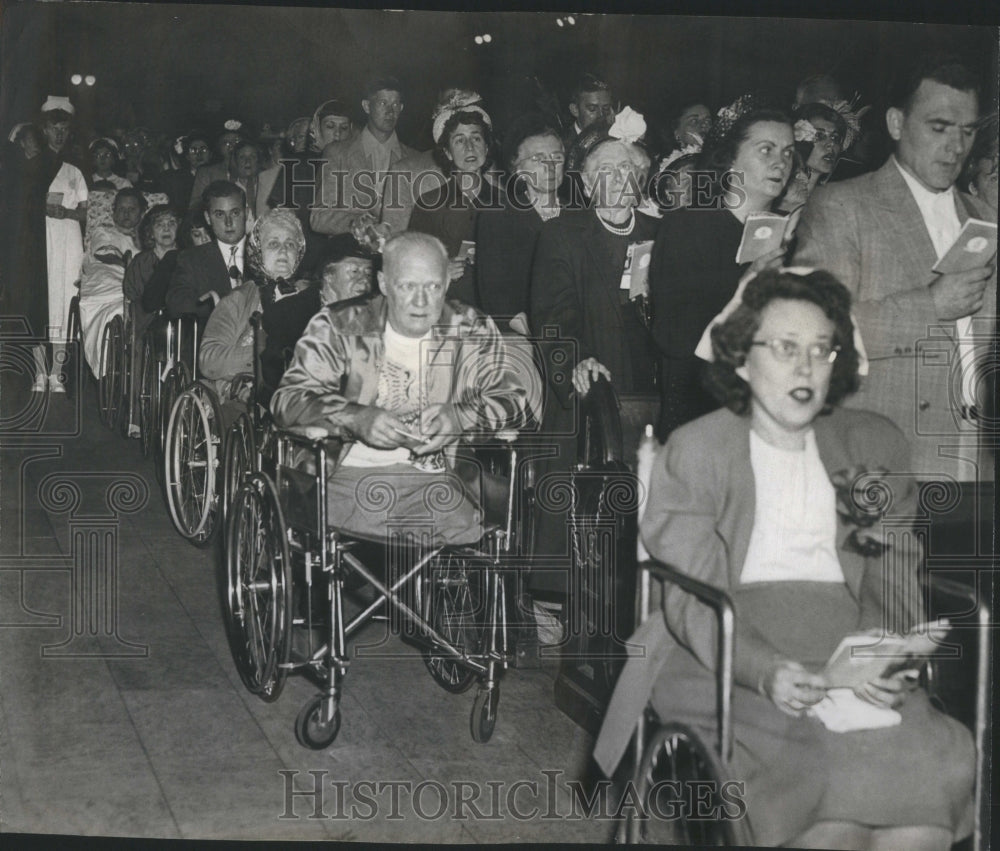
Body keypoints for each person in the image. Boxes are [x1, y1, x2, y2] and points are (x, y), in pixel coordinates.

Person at [593, 268, 975, 850]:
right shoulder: (699, 449)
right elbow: (693, 600)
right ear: (743, 359)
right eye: (786, 348)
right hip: (722, 647)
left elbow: (894, 572)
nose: (805, 368)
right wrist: (765, 670)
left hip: (849, 641)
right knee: (823, 782)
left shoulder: (874, 445)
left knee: (929, 767)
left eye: (821, 351)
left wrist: (889, 656)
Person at [794, 56, 996, 485]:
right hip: (880, 463)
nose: (956, 146)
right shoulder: (842, 207)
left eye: (967, 131)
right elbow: (817, 330)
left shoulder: (984, 217)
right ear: (896, 123)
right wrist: (930, 306)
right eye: (939, 127)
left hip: (974, 463)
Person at [271, 231, 538, 546]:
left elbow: (516, 401)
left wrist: (460, 418)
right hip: (344, 478)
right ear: (383, 284)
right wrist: (354, 418)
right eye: (408, 286)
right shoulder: (338, 324)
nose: (422, 301)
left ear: (447, 284)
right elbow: (287, 401)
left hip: (439, 482)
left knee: (480, 528)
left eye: (433, 287)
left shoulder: (468, 327)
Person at [528, 108, 658, 623]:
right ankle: (553, 599)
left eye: (628, 171)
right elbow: (551, 316)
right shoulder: (563, 235)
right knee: (571, 477)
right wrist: (575, 362)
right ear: (585, 184)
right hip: (588, 380)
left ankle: (632, 599)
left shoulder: (659, 232)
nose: (619, 182)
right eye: (605, 172)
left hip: (645, 381)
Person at [649, 99, 795, 439]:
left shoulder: (792, 235)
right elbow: (674, 336)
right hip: (702, 414)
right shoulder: (687, 227)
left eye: (788, 153)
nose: (780, 162)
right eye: (766, 150)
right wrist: (744, 286)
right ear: (730, 159)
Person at [199, 209, 309, 407]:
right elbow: (209, 361)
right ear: (257, 251)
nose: (283, 251)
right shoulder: (240, 298)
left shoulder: (310, 295)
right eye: (274, 243)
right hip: (248, 388)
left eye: (290, 244)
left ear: (299, 253)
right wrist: (263, 352)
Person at [408, 90, 501, 304]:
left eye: (476, 138)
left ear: (486, 147)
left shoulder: (506, 204)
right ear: (448, 153)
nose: (470, 147)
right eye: (459, 140)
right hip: (444, 311)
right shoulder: (429, 204)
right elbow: (410, 265)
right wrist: (440, 270)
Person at [475, 112, 565, 327]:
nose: (550, 166)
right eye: (538, 159)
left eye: (557, 157)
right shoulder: (499, 217)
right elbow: (494, 295)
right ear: (518, 169)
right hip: (522, 337)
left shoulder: (580, 213)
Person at [259, 235, 373, 403]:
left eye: (368, 273)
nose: (363, 281)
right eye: (354, 271)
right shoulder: (289, 314)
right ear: (329, 275)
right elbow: (274, 379)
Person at [310, 76, 417, 237]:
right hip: (349, 255)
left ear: (401, 108)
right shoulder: (337, 153)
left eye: (395, 104)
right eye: (383, 103)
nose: (390, 111)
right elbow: (319, 217)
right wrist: (357, 223)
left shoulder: (414, 159)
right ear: (367, 106)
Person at [0, 123, 55, 388]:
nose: (34, 144)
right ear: (21, 143)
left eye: (37, 140)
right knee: (12, 296)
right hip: (14, 241)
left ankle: (34, 363)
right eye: (30, 140)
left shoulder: (46, 168)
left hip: (37, 241)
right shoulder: (13, 170)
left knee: (33, 298)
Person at [40, 96, 89, 392]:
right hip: (41, 238)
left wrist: (67, 212)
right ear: (43, 130)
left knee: (63, 299)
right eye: (53, 127)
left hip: (69, 238)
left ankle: (56, 373)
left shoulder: (75, 170)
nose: (59, 133)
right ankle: (37, 372)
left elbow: (85, 210)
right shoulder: (33, 166)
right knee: (41, 299)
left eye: (63, 127)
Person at [121, 203, 179, 437]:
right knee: (139, 347)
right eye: (160, 224)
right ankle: (136, 416)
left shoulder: (186, 258)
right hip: (147, 319)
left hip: (177, 318)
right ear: (151, 232)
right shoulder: (141, 262)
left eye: (172, 223)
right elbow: (133, 296)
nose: (166, 228)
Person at [78, 187, 145, 377]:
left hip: (136, 280)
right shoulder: (103, 232)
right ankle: (110, 355)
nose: (125, 213)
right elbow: (105, 255)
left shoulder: (147, 238)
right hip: (107, 276)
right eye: (121, 208)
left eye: (132, 209)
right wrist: (129, 264)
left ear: (141, 212)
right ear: (113, 211)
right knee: (116, 305)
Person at [166, 180, 248, 322]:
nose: (228, 222)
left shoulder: (264, 252)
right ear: (207, 218)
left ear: (246, 213)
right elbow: (176, 302)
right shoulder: (192, 259)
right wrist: (212, 305)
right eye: (220, 215)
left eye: (235, 213)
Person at [776, 102, 847, 213]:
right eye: (819, 135)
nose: (831, 144)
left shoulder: (835, 200)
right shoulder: (776, 192)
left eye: (835, 137)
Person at [189, 120, 244, 209]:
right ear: (219, 147)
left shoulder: (253, 170)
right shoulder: (206, 173)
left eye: (237, 141)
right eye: (226, 143)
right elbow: (195, 206)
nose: (232, 146)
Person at [563, 72, 615, 150]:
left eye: (606, 108)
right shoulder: (562, 145)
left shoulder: (615, 139)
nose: (601, 115)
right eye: (592, 109)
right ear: (575, 110)